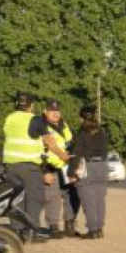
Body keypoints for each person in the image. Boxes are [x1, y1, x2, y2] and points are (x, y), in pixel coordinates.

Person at [0, 94, 48, 241]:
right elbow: (48, 140)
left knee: (16, 199)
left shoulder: (9, 118)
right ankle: (32, 231)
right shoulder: (35, 119)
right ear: (31, 105)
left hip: (11, 166)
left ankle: (17, 231)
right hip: (29, 166)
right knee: (34, 198)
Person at [30, 100, 75, 238]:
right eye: (52, 111)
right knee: (52, 197)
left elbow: (71, 142)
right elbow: (38, 149)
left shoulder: (64, 124)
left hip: (66, 166)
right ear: (45, 111)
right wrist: (44, 171)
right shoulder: (41, 125)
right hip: (49, 166)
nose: (56, 113)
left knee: (71, 195)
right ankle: (53, 226)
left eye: (57, 111)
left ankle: (69, 224)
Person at [68, 106, 111, 238]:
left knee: (88, 200)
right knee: (99, 200)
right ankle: (99, 229)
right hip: (103, 166)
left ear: (81, 118)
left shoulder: (81, 134)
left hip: (88, 166)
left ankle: (92, 230)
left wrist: (71, 172)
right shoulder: (103, 133)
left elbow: (76, 154)